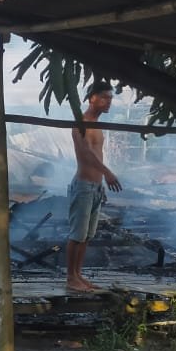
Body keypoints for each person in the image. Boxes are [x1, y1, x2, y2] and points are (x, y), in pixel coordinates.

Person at [66, 82, 121, 293]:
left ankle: (78, 275)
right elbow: (87, 153)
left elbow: (97, 154)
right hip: (83, 185)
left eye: (111, 98)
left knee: (87, 235)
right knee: (77, 234)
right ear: (92, 98)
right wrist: (107, 173)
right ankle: (71, 277)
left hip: (95, 187)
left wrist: (101, 182)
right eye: (105, 97)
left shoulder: (96, 124)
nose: (109, 102)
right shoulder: (82, 123)